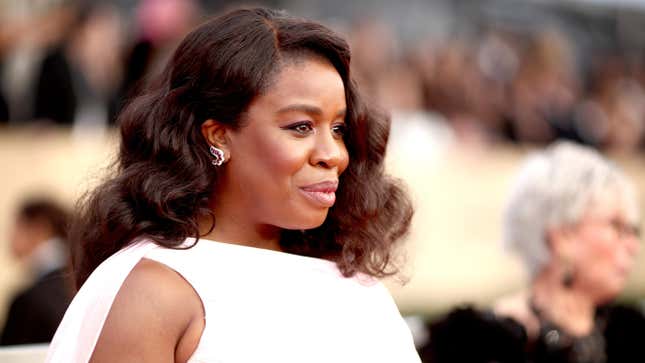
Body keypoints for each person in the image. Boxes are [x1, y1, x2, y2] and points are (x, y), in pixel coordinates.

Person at [46, 7, 419, 363]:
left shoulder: (355, 284)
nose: (333, 155)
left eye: (338, 129)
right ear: (218, 136)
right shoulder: (154, 291)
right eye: (301, 127)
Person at [422, 141, 645, 363]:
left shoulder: (630, 335)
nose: (632, 245)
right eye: (616, 226)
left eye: (633, 231)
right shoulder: (482, 343)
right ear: (562, 236)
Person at [1, 198, 72, 345]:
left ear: (39, 228)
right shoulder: (79, 284)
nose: (10, 237)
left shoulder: (29, 301)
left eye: (17, 227)